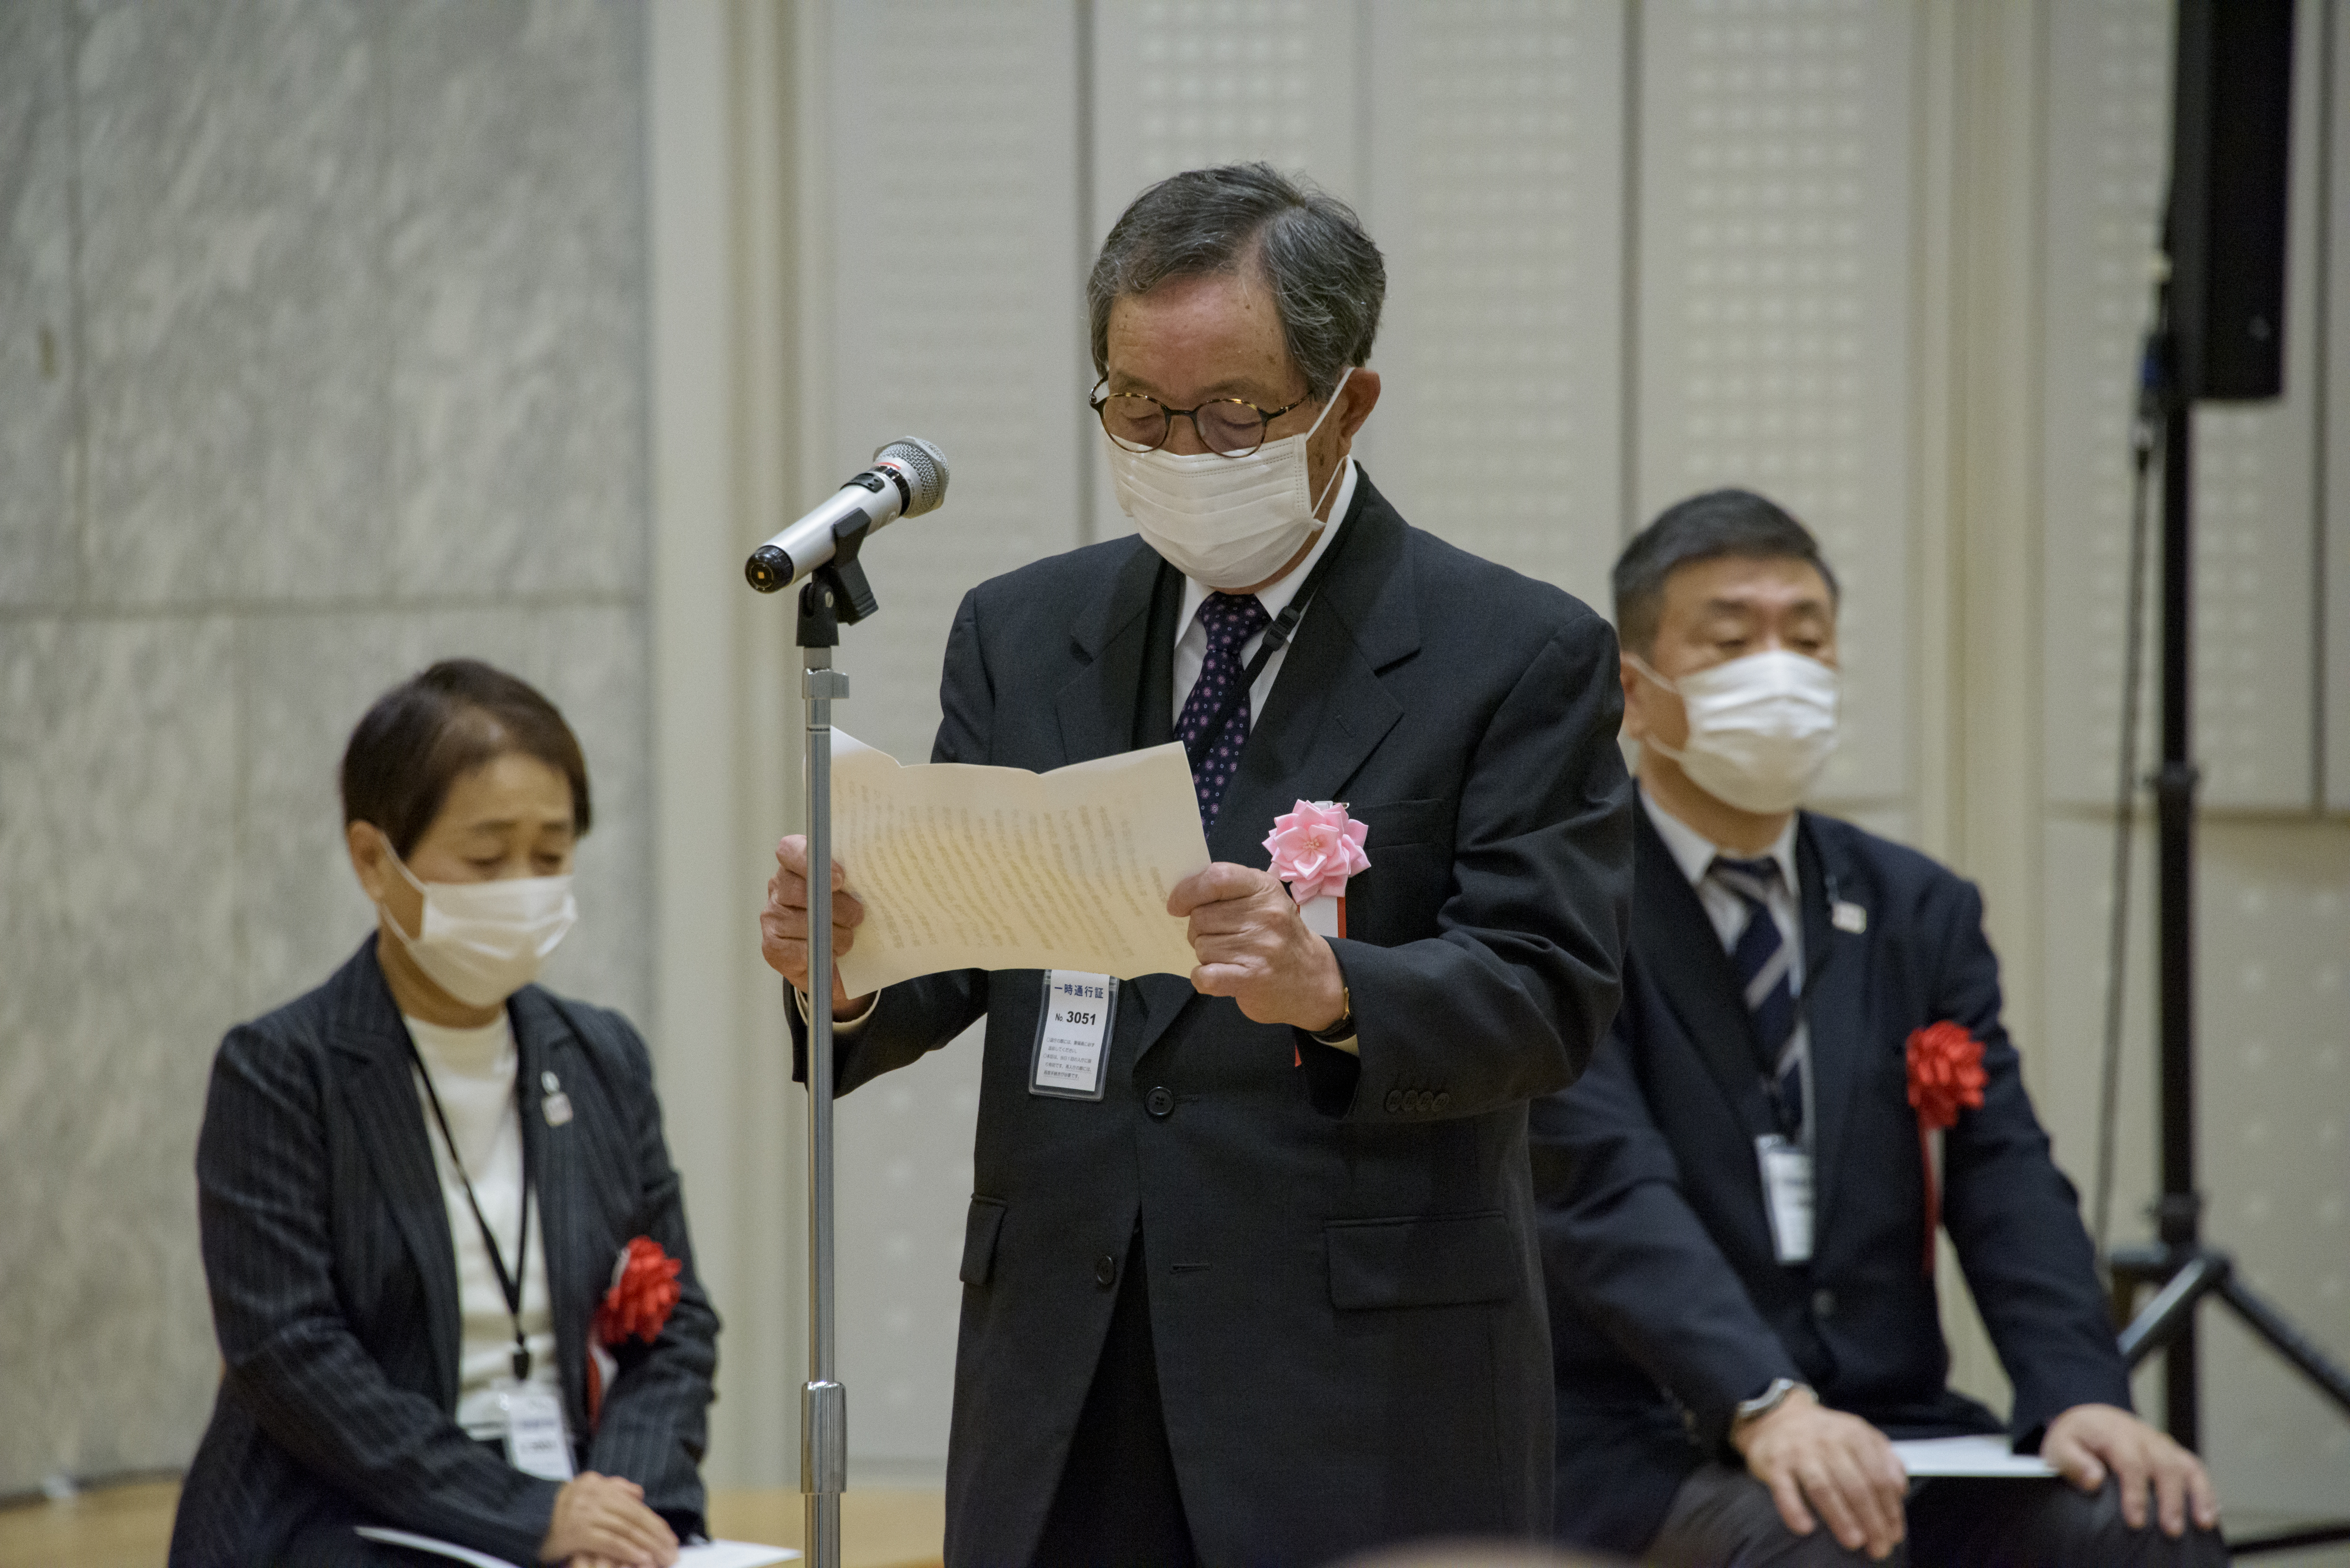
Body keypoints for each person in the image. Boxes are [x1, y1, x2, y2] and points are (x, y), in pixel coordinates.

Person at [760, 163, 1633, 1565]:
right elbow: (966, 942)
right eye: (1137, 410)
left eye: (1231, 413)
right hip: (1065, 1362)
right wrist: (845, 961)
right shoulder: (1023, 628)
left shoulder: (1513, 652)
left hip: (1354, 1386)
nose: (1178, 447)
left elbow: (1550, 993)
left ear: (1347, 403)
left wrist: (1336, 987)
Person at [1531, 490, 2228, 1566]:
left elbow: (2005, 1175)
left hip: (1892, 1425)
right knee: (1822, 1543)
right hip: (1650, 1437)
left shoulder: (1914, 907)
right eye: (1731, 638)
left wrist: (2077, 1395)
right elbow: (1599, 1184)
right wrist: (1763, 1401)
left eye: (1806, 637)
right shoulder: (1564, 902)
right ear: (1634, 688)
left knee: (2142, 1524)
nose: (1782, 668)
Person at [171, 660, 719, 1568]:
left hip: (572, 1511)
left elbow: (676, 1326)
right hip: (341, 1517)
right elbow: (289, 1353)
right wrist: (525, 1513)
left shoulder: (602, 1058)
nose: (524, 884)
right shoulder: (281, 1070)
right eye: (485, 855)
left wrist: (615, 1511)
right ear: (373, 860)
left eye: (551, 855)